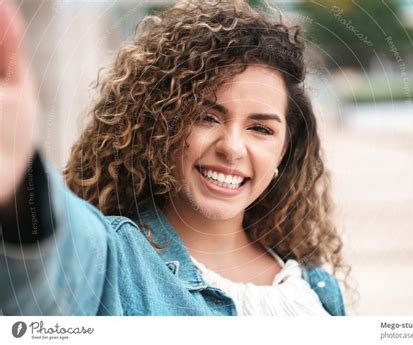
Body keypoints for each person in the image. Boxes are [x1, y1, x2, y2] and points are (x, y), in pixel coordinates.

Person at [0, 0, 348, 316]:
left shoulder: (317, 287)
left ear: (282, 152)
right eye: (206, 117)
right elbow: (45, 278)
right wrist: (19, 178)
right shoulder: (115, 259)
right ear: (163, 127)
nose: (232, 147)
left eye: (260, 129)